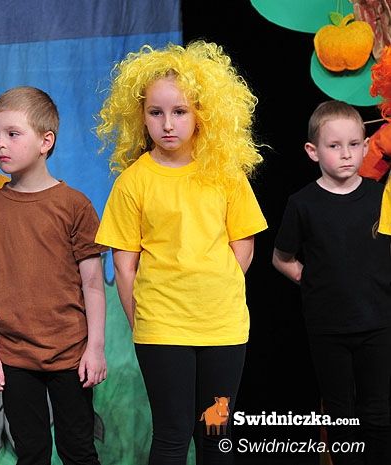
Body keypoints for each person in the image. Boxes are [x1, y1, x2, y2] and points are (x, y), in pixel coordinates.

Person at [94, 41, 267, 465]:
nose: (168, 124)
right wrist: (143, 320)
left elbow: (243, 244)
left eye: (180, 111)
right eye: (156, 112)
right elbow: (124, 263)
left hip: (223, 328)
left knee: (216, 431)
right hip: (162, 329)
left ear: (201, 114)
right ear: (140, 116)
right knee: (172, 434)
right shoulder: (133, 182)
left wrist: (215, 288)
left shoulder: (225, 174)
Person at [0, 86, 107, 465]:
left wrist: (95, 347)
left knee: (78, 449)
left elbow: (93, 283)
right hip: (14, 356)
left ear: (46, 141)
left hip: (70, 353)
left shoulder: (74, 205)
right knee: (30, 451)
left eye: (12, 133)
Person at [272, 100, 391, 465]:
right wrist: (314, 281)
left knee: (377, 412)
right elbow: (281, 258)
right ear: (313, 151)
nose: (346, 154)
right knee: (340, 413)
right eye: (334, 145)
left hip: (378, 323)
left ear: (366, 146)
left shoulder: (380, 197)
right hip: (328, 328)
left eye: (354, 144)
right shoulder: (303, 203)